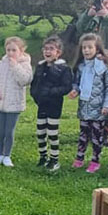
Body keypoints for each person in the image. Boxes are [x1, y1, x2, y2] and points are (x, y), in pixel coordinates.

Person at [69, 33, 108, 173]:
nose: (86, 50)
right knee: (83, 134)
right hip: (84, 107)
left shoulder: (104, 66)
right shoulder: (81, 66)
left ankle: (95, 161)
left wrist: (107, 105)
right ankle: (79, 158)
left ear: (97, 48)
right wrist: (75, 90)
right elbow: (77, 83)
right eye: (84, 48)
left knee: (97, 136)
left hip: (99, 108)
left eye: (90, 47)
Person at [0, 36, 33, 167]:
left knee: (9, 131)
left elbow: (25, 80)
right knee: (0, 131)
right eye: (8, 50)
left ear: (21, 51)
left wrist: (15, 66)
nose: (11, 53)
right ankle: (0, 154)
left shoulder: (25, 65)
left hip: (14, 104)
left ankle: (7, 155)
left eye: (14, 50)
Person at [30, 36, 75, 171]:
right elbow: (34, 84)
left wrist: (51, 92)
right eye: (45, 49)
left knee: (52, 133)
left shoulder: (64, 68)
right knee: (40, 132)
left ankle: (54, 159)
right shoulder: (40, 67)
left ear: (58, 52)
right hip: (41, 104)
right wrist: (35, 95)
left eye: (51, 49)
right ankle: (43, 156)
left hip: (54, 104)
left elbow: (66, 87)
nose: (47, 51)